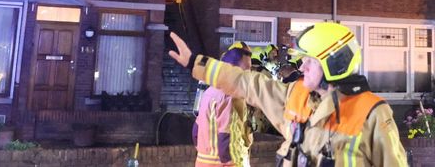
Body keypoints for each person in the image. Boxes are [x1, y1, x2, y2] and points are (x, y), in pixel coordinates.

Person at [169, 22, 408, 166]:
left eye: (309, 62)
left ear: (333, 65)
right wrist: (195, 64)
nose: (301, 68)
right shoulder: (295, 95)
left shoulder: (372, 114)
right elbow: (247, 82)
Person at [194, 44, 253, 167]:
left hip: (203, 161)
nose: (249, 75)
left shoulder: (209, 91)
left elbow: (195, 131)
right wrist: (233, 162)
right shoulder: (230, 95)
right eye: (246, 70)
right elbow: (226, 135)